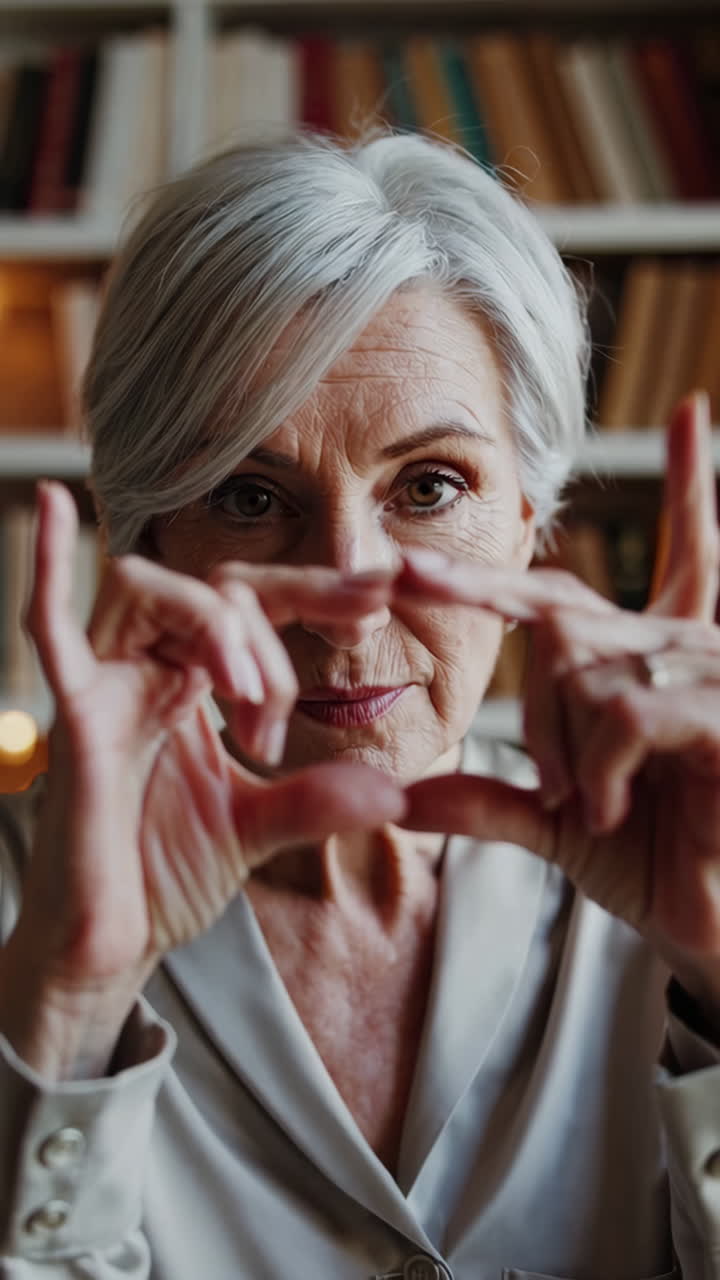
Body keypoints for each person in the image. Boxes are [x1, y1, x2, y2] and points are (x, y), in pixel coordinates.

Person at [0, 131, 719, 1280]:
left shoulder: (673, 881)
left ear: (529, 524)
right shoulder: (24, 910)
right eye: (249, 496)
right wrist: (69, 1011)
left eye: (429, 485)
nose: (345, 604)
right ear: (151, 546)